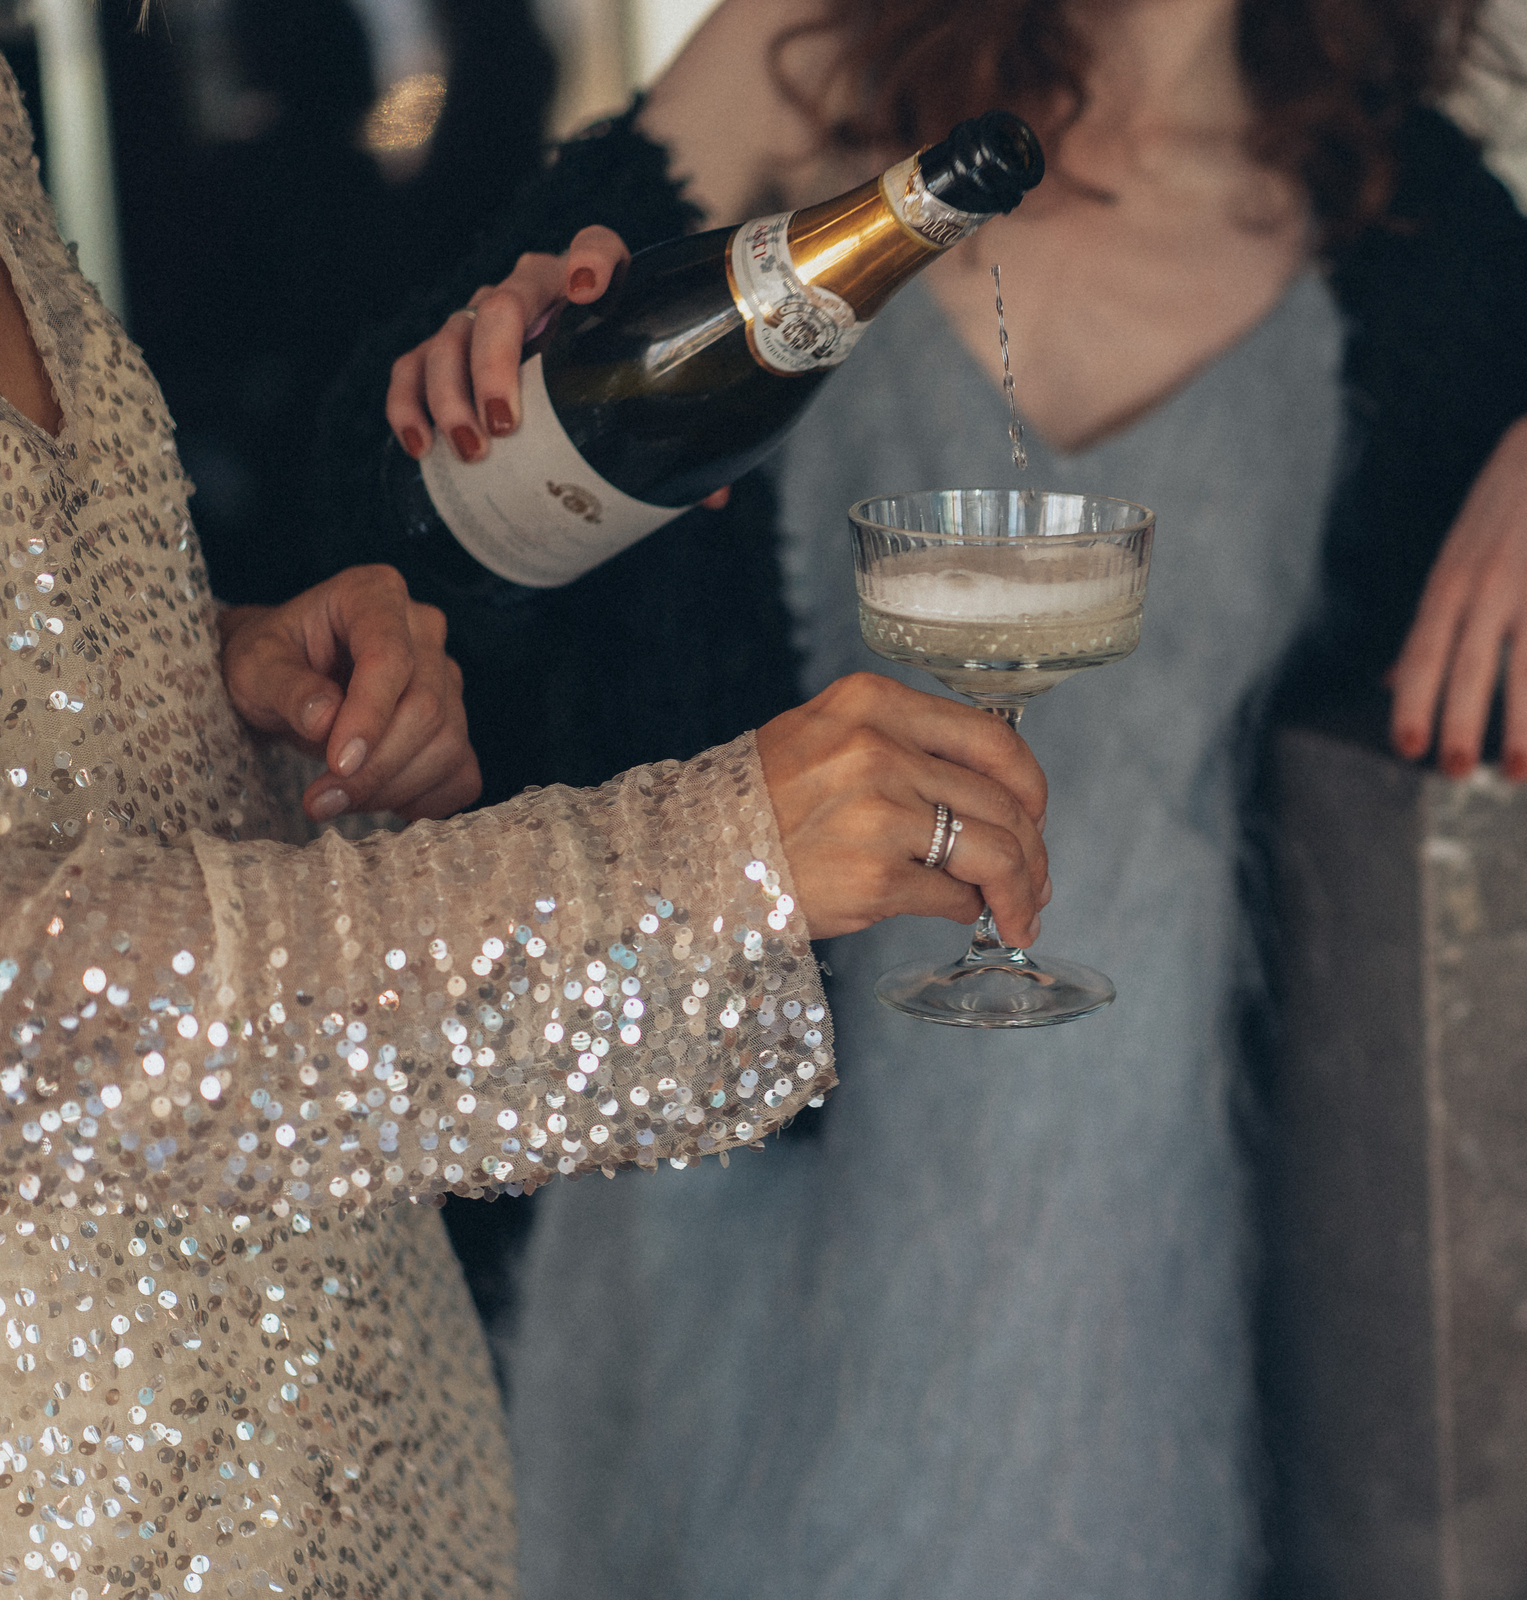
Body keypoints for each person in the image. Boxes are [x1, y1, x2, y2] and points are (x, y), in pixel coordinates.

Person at [348, 0, 1527, 1592]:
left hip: (1124, 1291)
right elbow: (391, 523)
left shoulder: (1393, 224)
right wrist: (482, 371)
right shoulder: (799, 77)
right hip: (713, 1248)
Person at [0, 44, 1053, 1598]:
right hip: (98, 1515)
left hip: (370, 1433)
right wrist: (700, 866)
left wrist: (216, 660)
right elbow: (31, 1014)